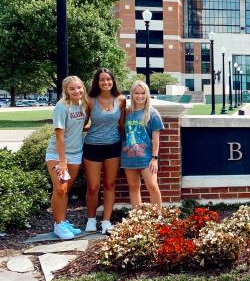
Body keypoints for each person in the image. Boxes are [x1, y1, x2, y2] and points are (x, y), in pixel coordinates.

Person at [44, 76, 89, 240]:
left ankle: (63, 221)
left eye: (79, 87)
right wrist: (62, 162)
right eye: (72, 89)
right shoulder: (61, 107)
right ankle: (58, 225)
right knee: (60, 188)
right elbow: (60, 137)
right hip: (58, 154)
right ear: (66, 91)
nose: (77, 91)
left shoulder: (82, 105)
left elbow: (80, 126)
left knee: (66, 190)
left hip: (76, 154)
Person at [83, 68, 126, 234]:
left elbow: (122, 125)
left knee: (110, 184)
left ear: (113, 81)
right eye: (102, 80)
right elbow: (82, 122)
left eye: (108, 79)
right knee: (93, 186)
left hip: (113, 146)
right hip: (92, 146)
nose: (106, 82)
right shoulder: (90, 100)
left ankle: (106, 221)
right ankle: (91, 219)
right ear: (97, 82)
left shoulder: (121, 100)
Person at [121, 80, 164, 207]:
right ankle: (137, 218)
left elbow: (156, 139)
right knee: (133, 187)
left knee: (152, 185)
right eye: (137, 93)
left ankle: (158, 216)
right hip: (129, 157)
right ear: (132, 95)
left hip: (146, 158)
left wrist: (154, 159)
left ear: (147, 94)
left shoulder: (152, 113)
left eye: (143, 93)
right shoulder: (127, 113)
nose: (140, 96)